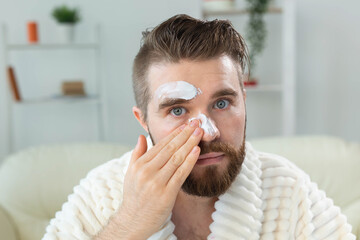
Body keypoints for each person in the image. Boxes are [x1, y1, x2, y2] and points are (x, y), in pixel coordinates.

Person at [43, 14, 355, 239]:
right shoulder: (102, 192)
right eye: (177, 109)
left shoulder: (287, 190)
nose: (207, 131)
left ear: (244, 101)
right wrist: (130, 224)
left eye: (222, 104)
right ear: (143, 120)